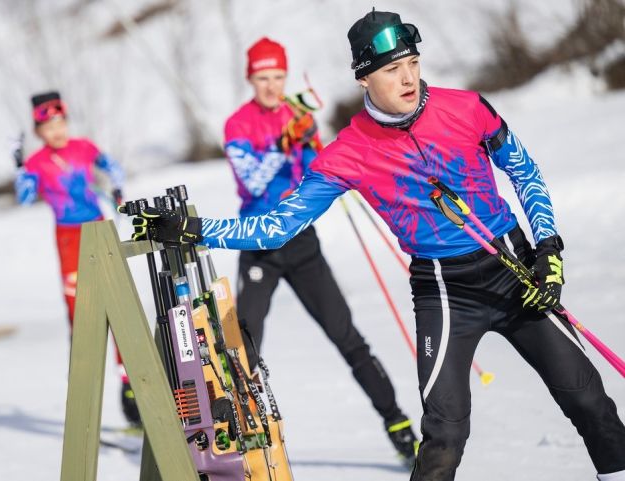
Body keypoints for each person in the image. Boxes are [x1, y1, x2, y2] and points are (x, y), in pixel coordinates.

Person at [131, 10, 625, 481]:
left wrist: (548, 251)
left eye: (413, 63)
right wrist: (192, 229)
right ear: (364, 79)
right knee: (445, 434)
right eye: (393, 69)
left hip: (514, 269)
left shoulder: (466, 108)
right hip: (444, 288)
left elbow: (525, 172)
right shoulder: (348, 152)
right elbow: (277, 227)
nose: (409, 79)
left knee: (589, 401)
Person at [223, 36, 418, 463]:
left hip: (301, 242)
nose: (272, 86)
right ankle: (241, 434)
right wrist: (281, 144)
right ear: (250, 79)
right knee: (244, 345)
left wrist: (310, 140)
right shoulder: (238, 125)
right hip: (259, 243)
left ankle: (397, 421)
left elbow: (320, 166)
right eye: (263, 78)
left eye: (278, 76)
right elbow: (253, 182)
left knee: (345, 334)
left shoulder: (298, 114)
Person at [13, 91, 140, 426]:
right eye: (48, 126)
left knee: (118, 305)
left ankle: (129, 388)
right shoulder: (38, 162)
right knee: (81, 315)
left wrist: (117, 190)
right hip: (69, 238)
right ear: (38, 131)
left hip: (98, 230)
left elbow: (114, 168)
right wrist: (19, 168)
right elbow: (25, 197)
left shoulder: (83, 147)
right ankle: (85, 395)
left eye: (61, 122)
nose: (57, 130)